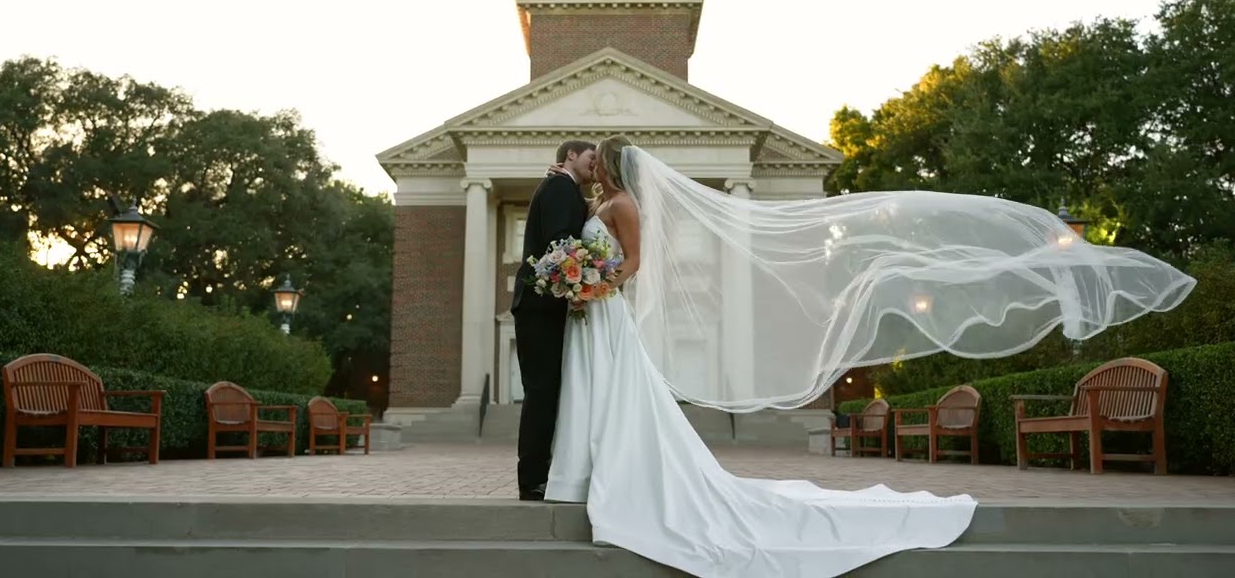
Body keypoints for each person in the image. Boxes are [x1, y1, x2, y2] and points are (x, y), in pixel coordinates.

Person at [536, 134, 1195, 578]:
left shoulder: (623, 206)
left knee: (622, 399)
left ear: (615, 170)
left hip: (605, 310)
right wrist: (584, 280)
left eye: (599, 161)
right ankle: (588, 474)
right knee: (609, 396)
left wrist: (596, 282)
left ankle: (617, 478)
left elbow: (638, 264)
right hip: (596, 313)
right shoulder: (604, 202)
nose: (593, 168)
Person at [509, 139, 597, 501]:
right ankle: (532, 479)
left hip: (545, 306)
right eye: (591, 159)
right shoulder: (560, 187)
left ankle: (542, 473)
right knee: (542, 392)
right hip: (540, 306)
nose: (595, 167)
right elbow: (560, 244)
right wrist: (595, 277)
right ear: (570, 156)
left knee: (547, 391)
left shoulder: (565, 188)